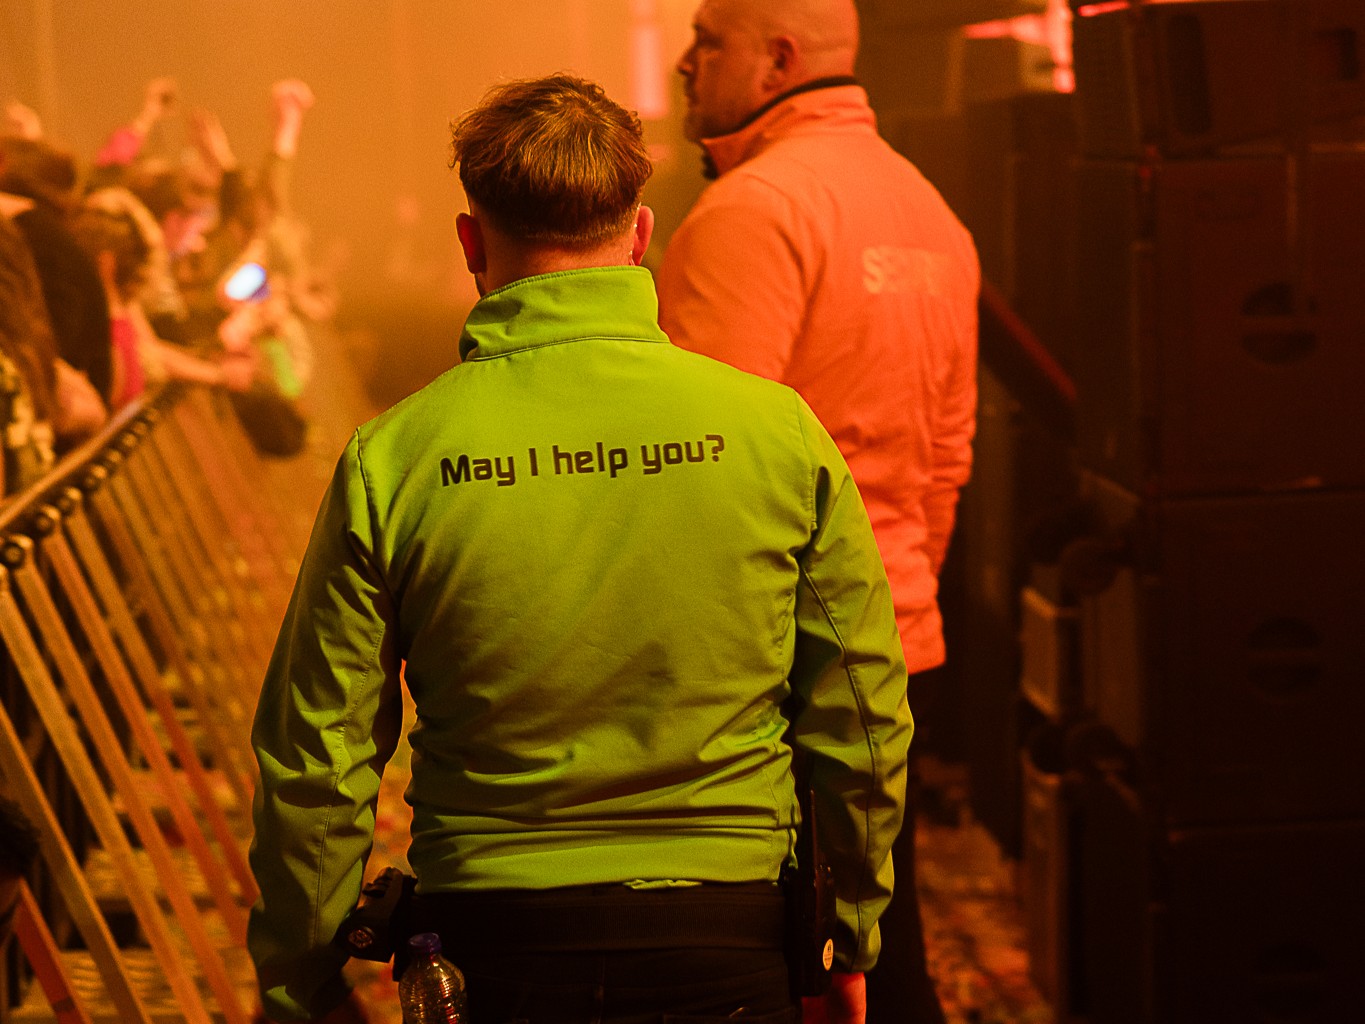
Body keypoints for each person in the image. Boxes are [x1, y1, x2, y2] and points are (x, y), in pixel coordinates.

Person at [248, 73, 910, 1024]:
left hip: (491, 949)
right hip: (726, 939)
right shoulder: (778, 435)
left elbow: (317, 753)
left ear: (471, 242)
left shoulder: (393, 458)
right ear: (639, 236)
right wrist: (851, 928)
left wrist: (298, 979)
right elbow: (861, 709)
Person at [656, 3, 980, 1022]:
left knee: (792, 964)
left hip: (782, 665)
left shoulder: (754, 213)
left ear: (777, 59)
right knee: (882, 938)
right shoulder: (931, 213)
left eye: (710, 40)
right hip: (894, 639)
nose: (688, 62)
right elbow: (946, 459)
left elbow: (705, 475)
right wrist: (899, 608)